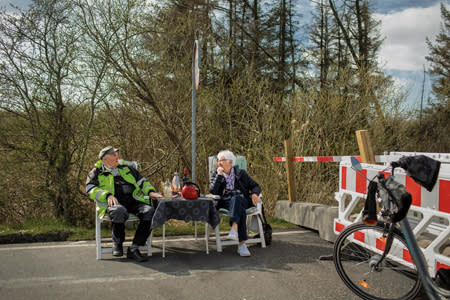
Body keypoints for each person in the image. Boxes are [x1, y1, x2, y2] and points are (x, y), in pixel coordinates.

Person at [86, 146, 163, 262]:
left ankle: (134, 247)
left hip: (133, 200)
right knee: (119, 211)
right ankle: (118, 244)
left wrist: (151, 192)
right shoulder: (96, 172)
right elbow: (90, 188)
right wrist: (107, 195)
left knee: (149, 211)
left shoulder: (126, 168)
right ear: (105, 159)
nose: (117, 157)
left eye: (117, 155)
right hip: (114, 203)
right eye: (114, 155)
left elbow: (143, 181)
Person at [209, 150, 261, 257]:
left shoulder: (241, 174)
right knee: (239, 206)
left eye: (222, 161)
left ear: (230, 162)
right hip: (226, 202)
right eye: (218, 161)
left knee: (237, 199)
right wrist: (219, 176)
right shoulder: (216, 174)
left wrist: (255, 193)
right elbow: (213, 191)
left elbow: (255, 186)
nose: (219, 163)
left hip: (242, 199)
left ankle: (234, 228)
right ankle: (241, 244)